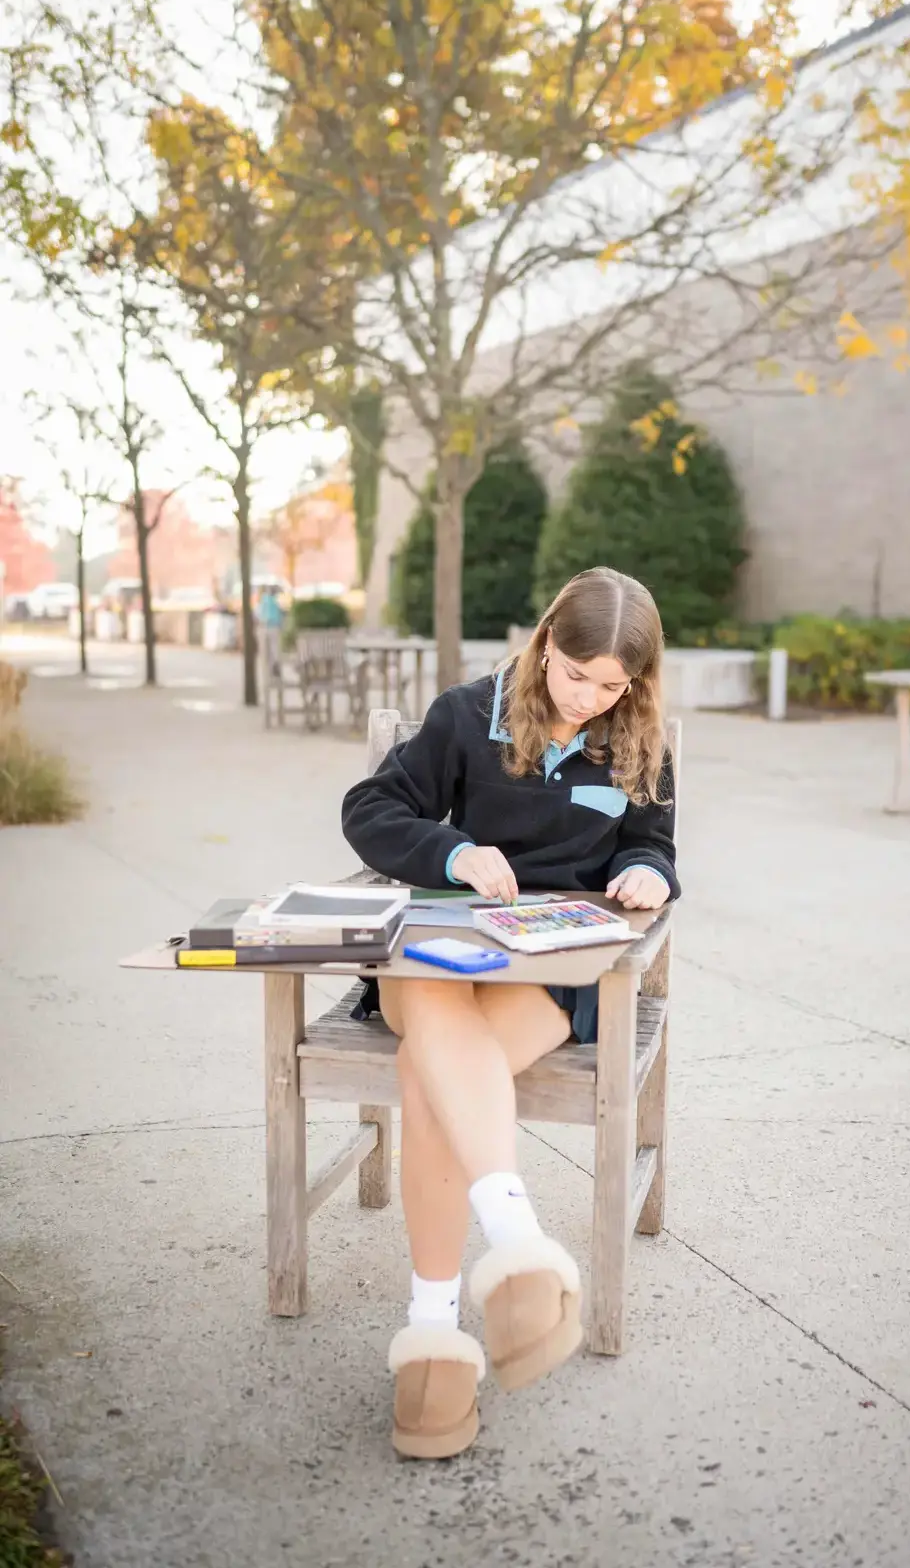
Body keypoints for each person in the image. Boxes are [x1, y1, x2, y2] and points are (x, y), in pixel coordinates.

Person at [341, 566, 680, 1460]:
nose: (591, 699)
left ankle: (434, 1341)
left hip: (550, 972)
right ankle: (518, 1245)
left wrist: (649, 871)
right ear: (544, 646)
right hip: (438, 955)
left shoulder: (635, 739)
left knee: (430, 1076)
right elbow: (370, 809)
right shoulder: (465, 715)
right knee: (434, 1023)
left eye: (615, 686)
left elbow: (653, 842)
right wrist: (452, 852)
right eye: (578, 677)